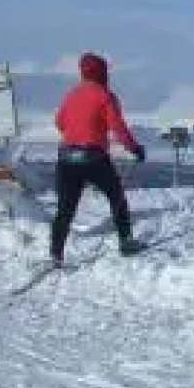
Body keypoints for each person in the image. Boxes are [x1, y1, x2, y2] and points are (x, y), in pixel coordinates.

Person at [50, 52, 146, 265]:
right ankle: (126, 242)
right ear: (102, 73)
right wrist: (135, 148)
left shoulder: (72, 94)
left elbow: (59, 122)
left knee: (65, 208)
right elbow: (118, 128)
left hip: (66, 158)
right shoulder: (105, 95)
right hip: (93, 158)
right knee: (116, 196)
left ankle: (56, 254)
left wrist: (76, 130)